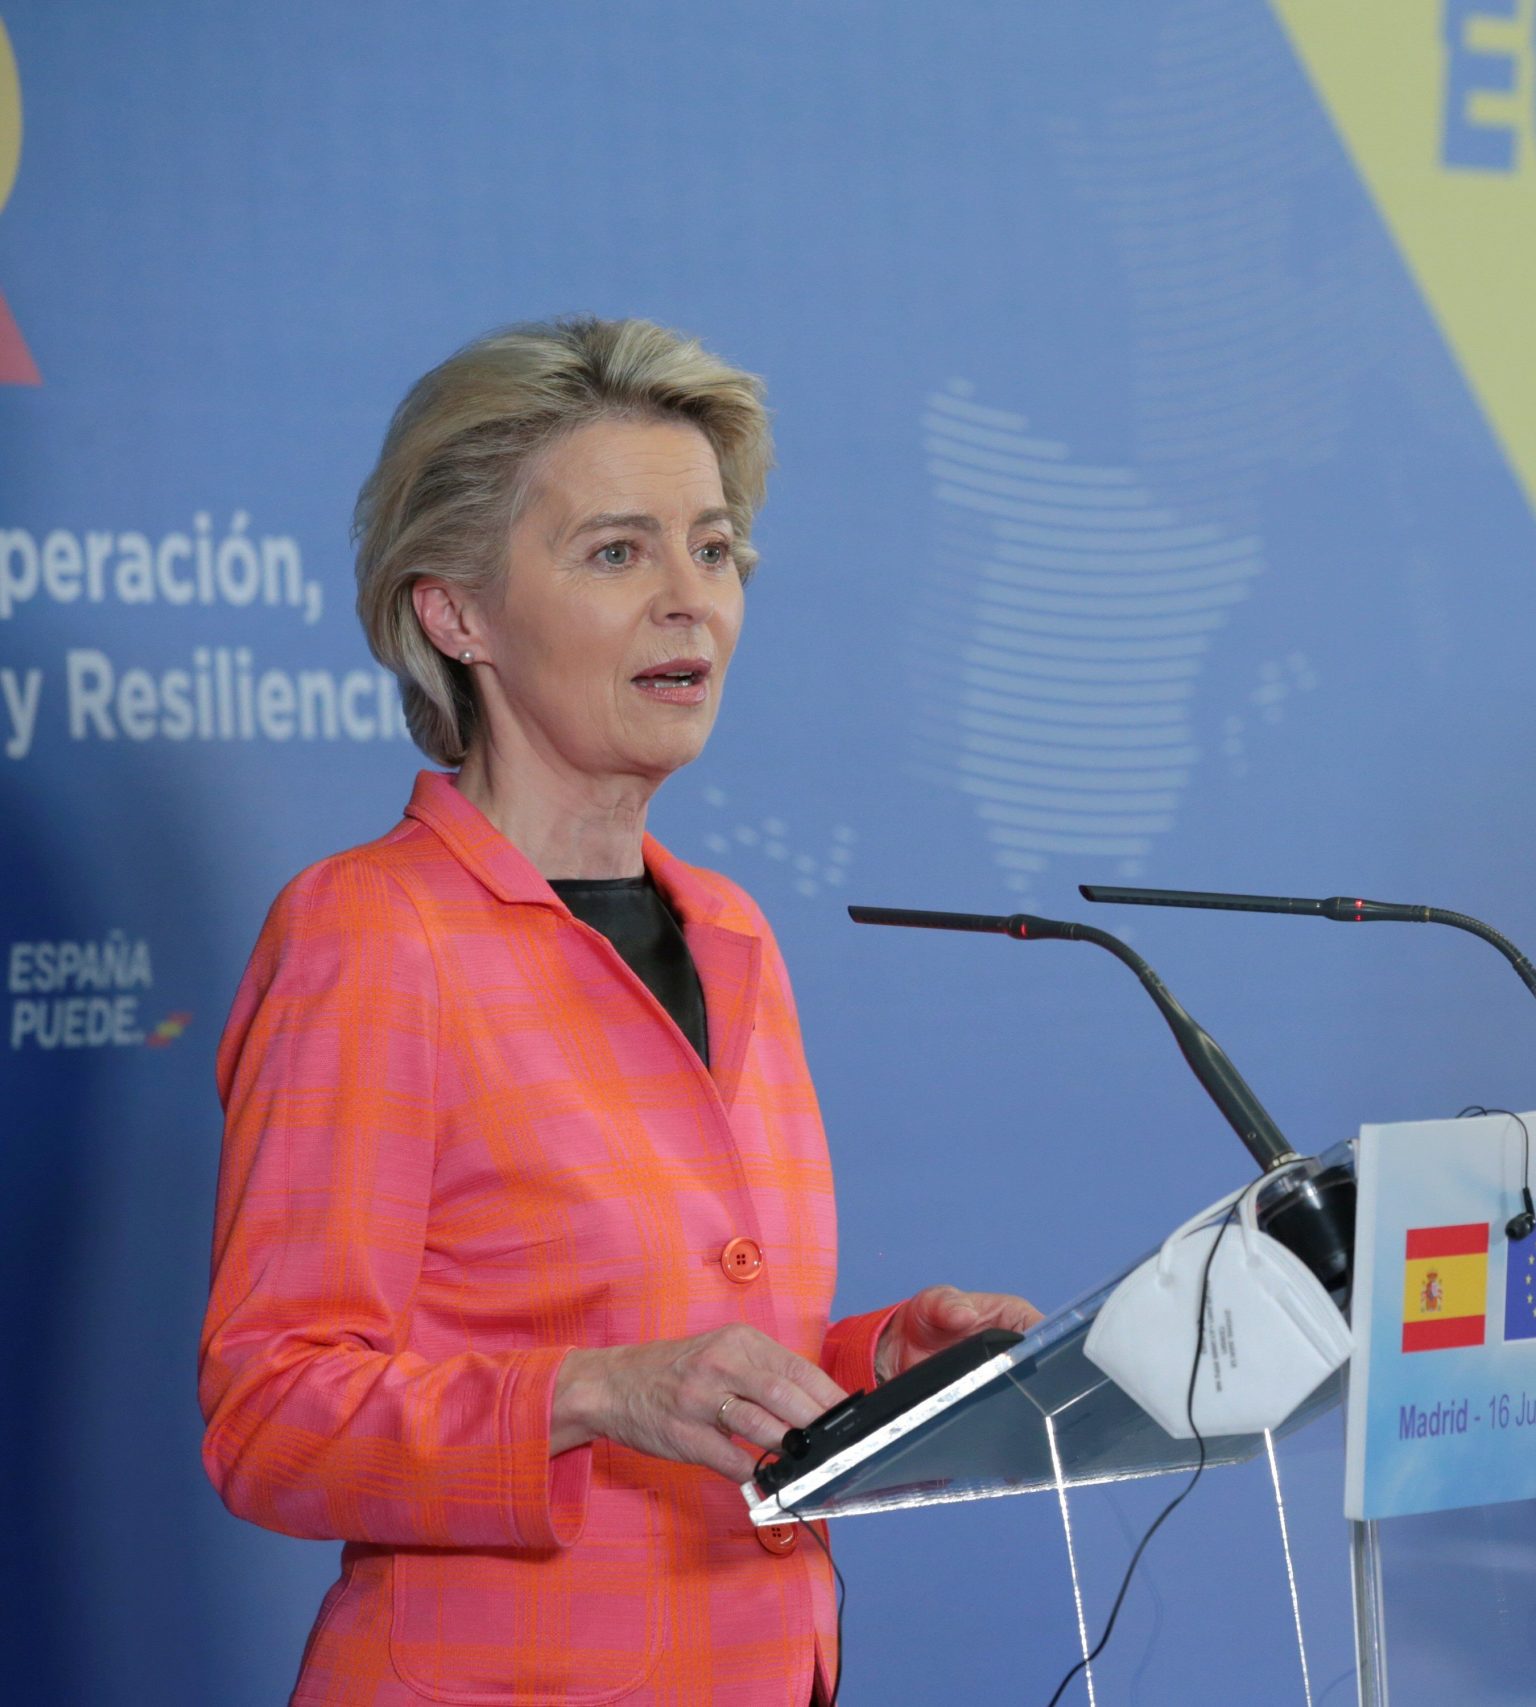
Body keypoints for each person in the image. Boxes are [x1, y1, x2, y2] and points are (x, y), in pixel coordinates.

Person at [200, 316, 1040, 1706]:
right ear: (453, 614)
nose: (689, 599)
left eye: (714, 549)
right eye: (617, 551)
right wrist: (591, 1397)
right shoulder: (370, 935)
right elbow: (272, 1417)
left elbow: (691, 1352)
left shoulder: (731, 932)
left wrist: (878, 1365)